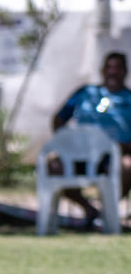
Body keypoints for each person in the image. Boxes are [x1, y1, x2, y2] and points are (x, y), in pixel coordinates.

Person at [51, 51, 131, 221]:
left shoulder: (129, 98)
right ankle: (90, 210)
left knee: (127, 166)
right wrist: (63, 143)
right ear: (102, 70)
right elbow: (59, 119)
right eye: (109, 67)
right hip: (80, 154)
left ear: (125, 71)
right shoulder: (86, 93)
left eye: (118, 68)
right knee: (55, 166)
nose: (113, 72)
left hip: (114, 156)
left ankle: (108, 210)